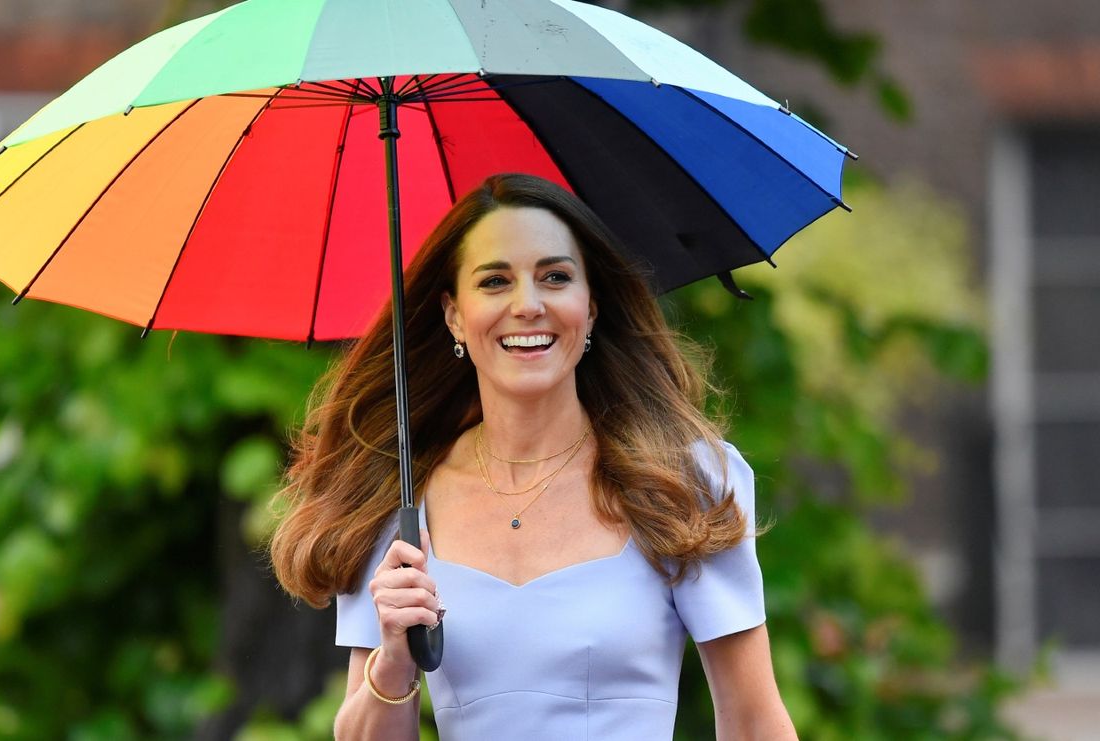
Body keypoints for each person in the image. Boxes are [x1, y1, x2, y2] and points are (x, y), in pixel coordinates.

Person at [270, 173, 796, 740]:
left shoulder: (682, 482)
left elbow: (754, 724)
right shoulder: (396, 504)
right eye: (495, 281)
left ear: (591, 307)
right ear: (453, 315)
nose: (527, 305)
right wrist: (394, 660)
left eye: (555, 277)